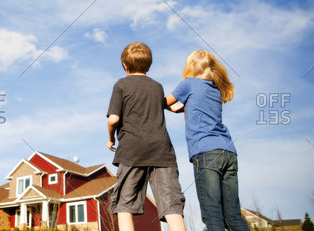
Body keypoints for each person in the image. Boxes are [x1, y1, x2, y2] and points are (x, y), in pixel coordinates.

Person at [165, 50, 250, 231]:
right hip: (228, 151)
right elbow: (188, 107)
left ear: (191, 67)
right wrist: (180, 108)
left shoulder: (188, 84)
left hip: (206, 152)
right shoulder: (215, 89)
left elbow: (165, 102)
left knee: (213, 215)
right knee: (233, 215)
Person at [107, 42, 186, 231]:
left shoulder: (121, 85)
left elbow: (113, 119)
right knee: (172, 205)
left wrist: (111, 139)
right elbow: (168, 106)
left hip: (132, 151)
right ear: (148, 65)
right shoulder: (157, 86)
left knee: (125, 205)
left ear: (125, 66)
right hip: (162, 152)